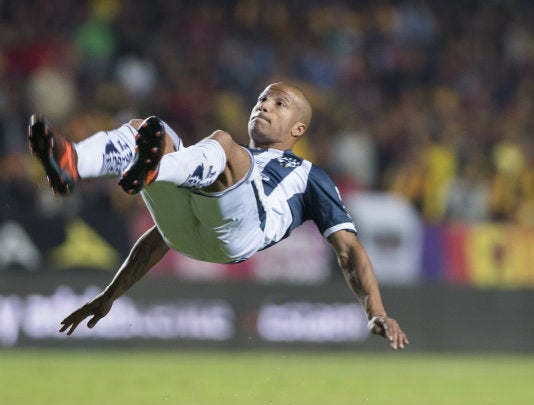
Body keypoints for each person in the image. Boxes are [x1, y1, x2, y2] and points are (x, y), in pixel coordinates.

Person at [28, 81, 408, 350]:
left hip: (240, 233)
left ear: (299, 128)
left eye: (279, 103)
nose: (264, 105)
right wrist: (111, 295)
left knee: (221, 145)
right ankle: (72, 161)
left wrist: (376, 311)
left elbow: (349, 250)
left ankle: (152, 169)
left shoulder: (310, 176)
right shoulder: (216, 159)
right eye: (261, 99)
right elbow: (162, 235)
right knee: (147, 129)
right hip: (188, 225)